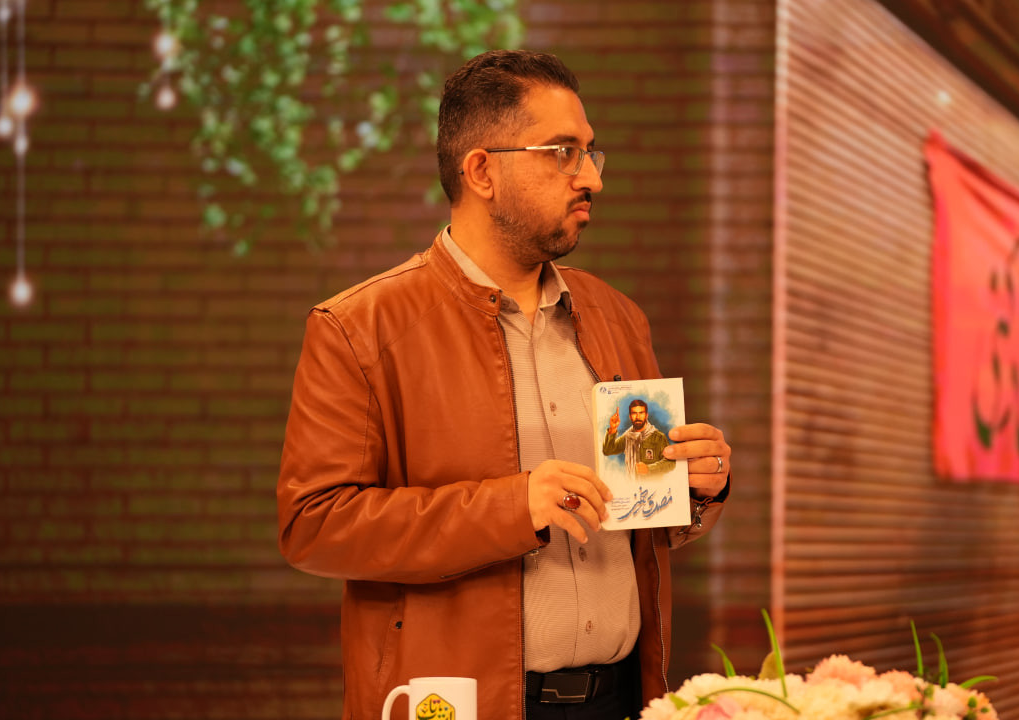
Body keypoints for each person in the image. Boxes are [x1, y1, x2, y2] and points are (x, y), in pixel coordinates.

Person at [276, 49, 732, 720]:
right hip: (467, 703)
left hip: (623, 697)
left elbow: (641, 520)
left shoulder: (618, 317)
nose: (591, 178)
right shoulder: (358, 327)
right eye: (564, 153)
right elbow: (313, 526)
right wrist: (513, 508)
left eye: (591, 153)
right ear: (482, 171)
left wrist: (696, 489)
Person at [602, 399, 675, 479]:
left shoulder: (659, 437)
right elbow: (607, 451)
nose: (637, 417)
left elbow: (671, 463)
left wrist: (649, 469)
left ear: (646, 415)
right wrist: (613, 428)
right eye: (634, 413)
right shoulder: (628, 437)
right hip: (631, 484)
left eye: (641, 413)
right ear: (630, 416)